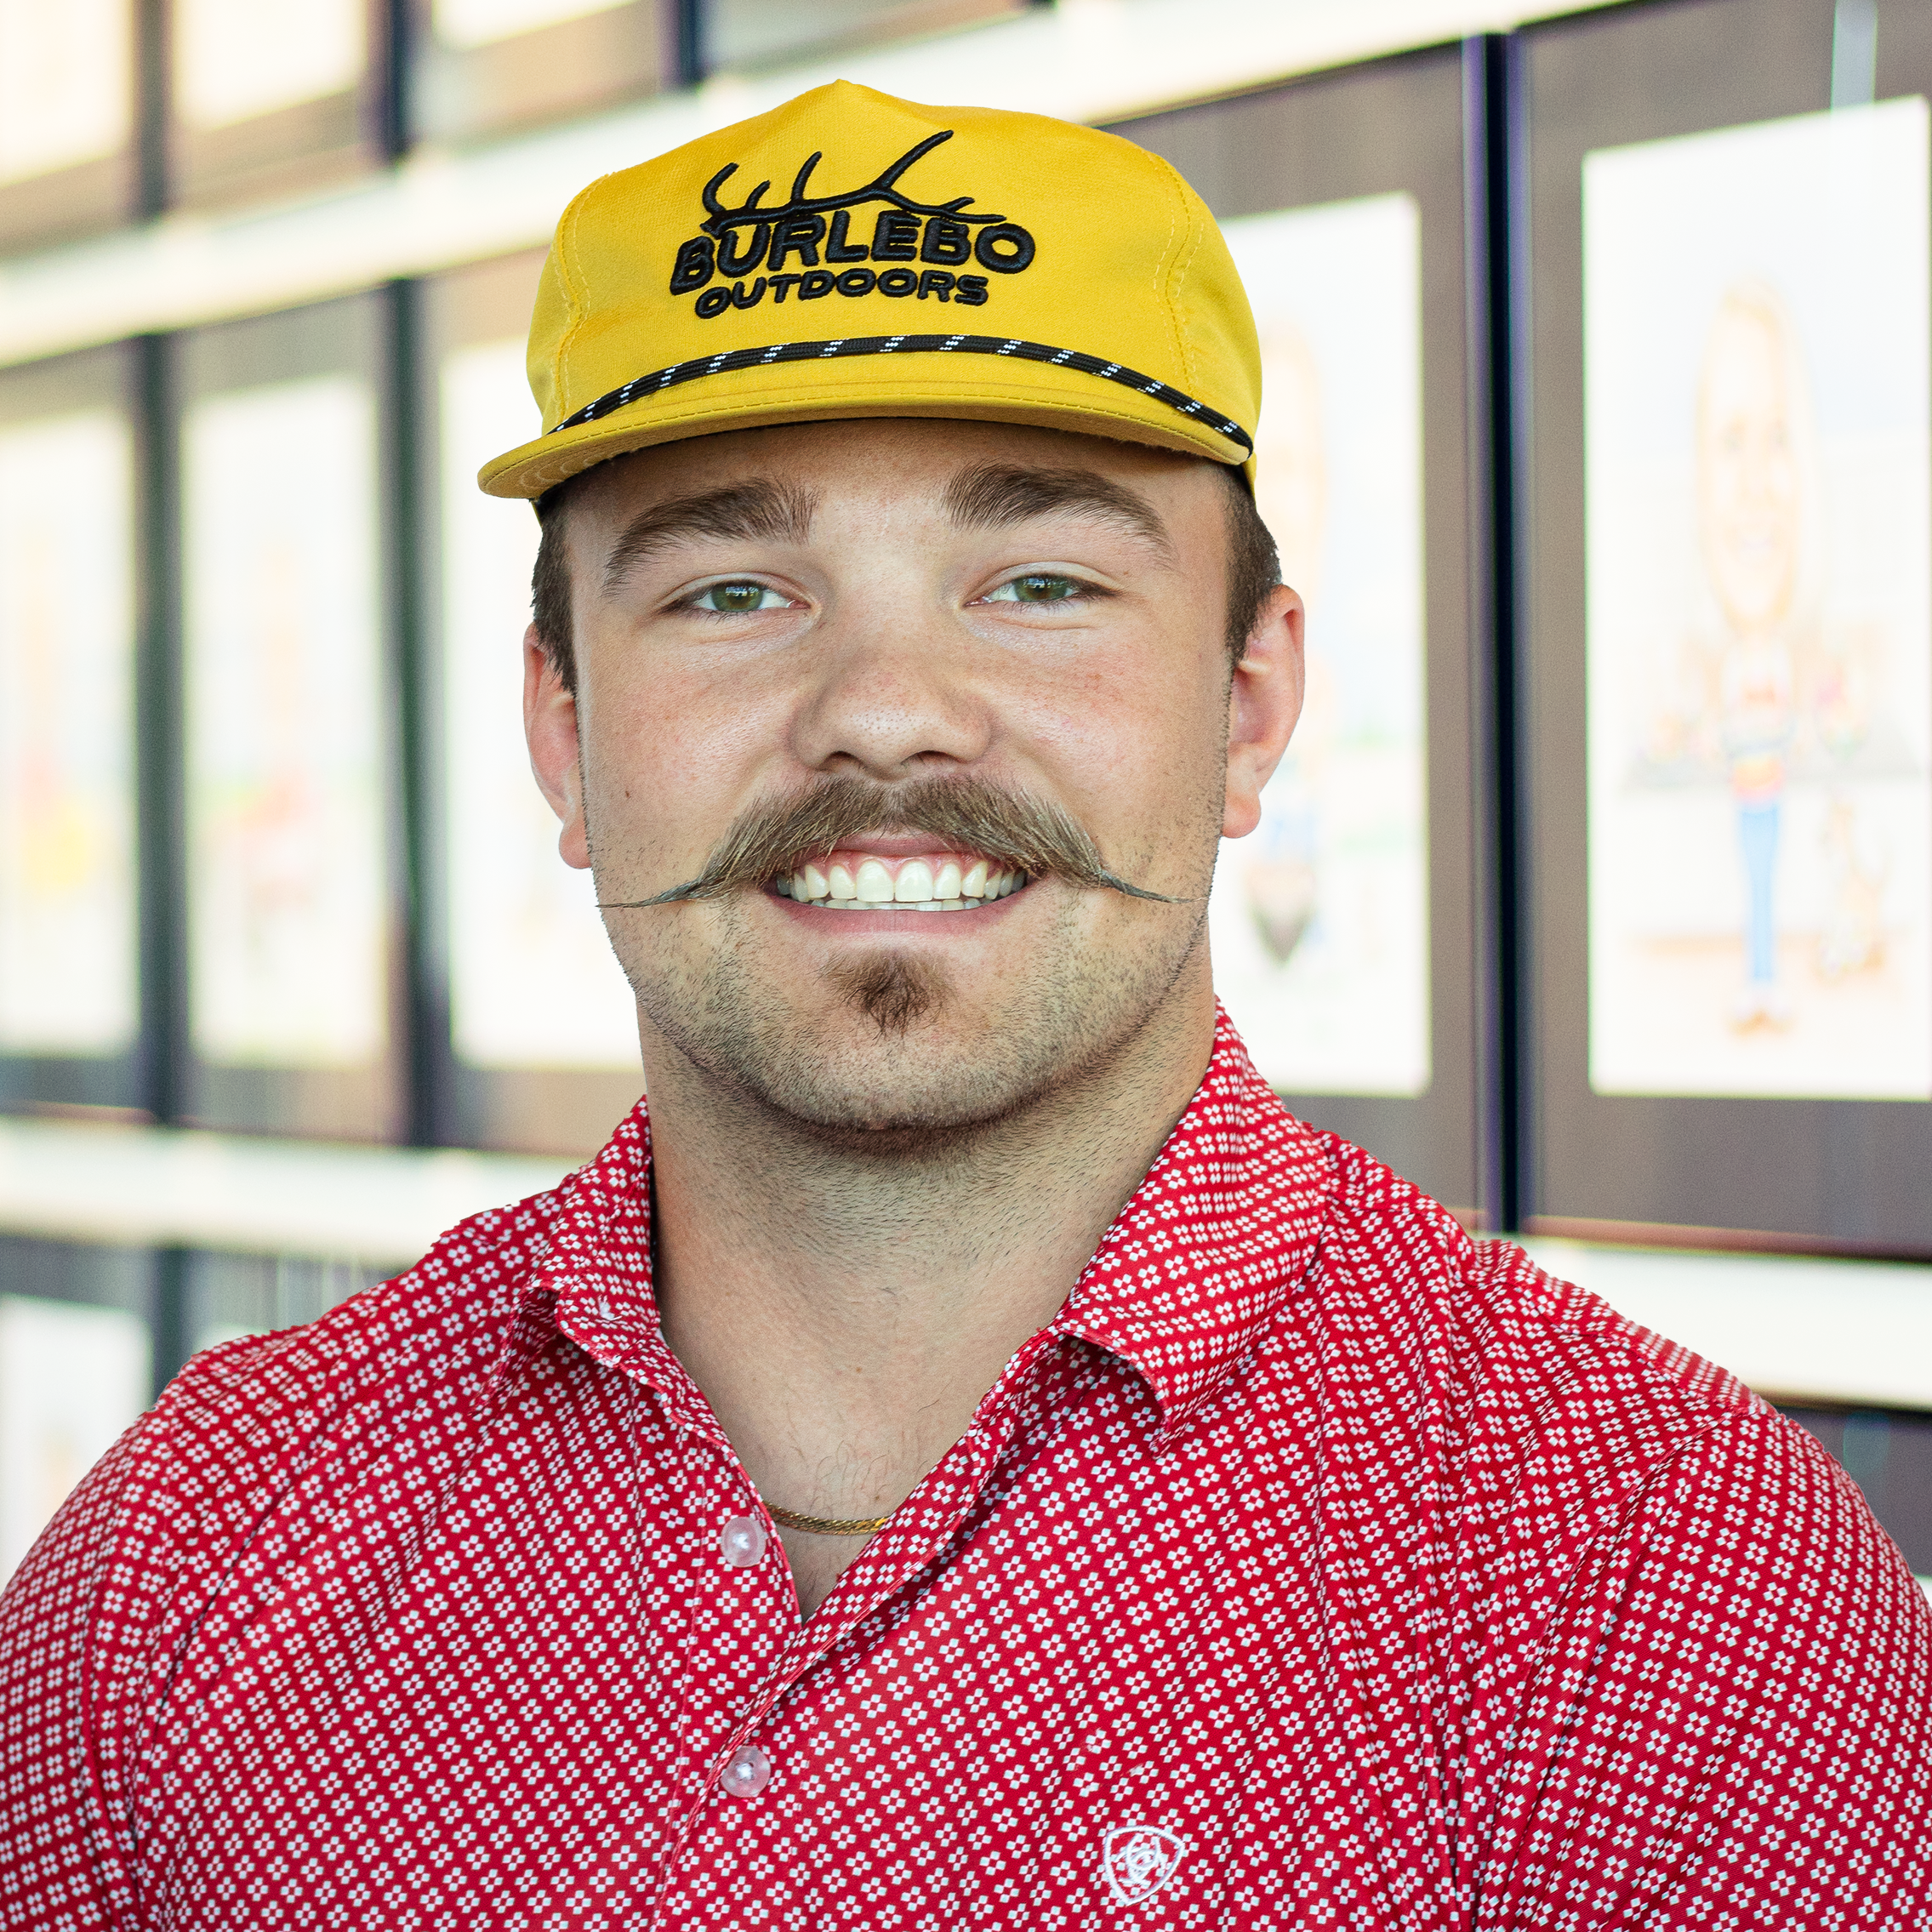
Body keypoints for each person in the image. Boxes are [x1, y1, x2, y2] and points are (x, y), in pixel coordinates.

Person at [2, 82, 1927, 1930]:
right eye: (735, 593)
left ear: (1251, 702)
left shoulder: (1652, 1581)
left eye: (1038, 578)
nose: (887, 705)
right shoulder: (193, 1555)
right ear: (562, 733)